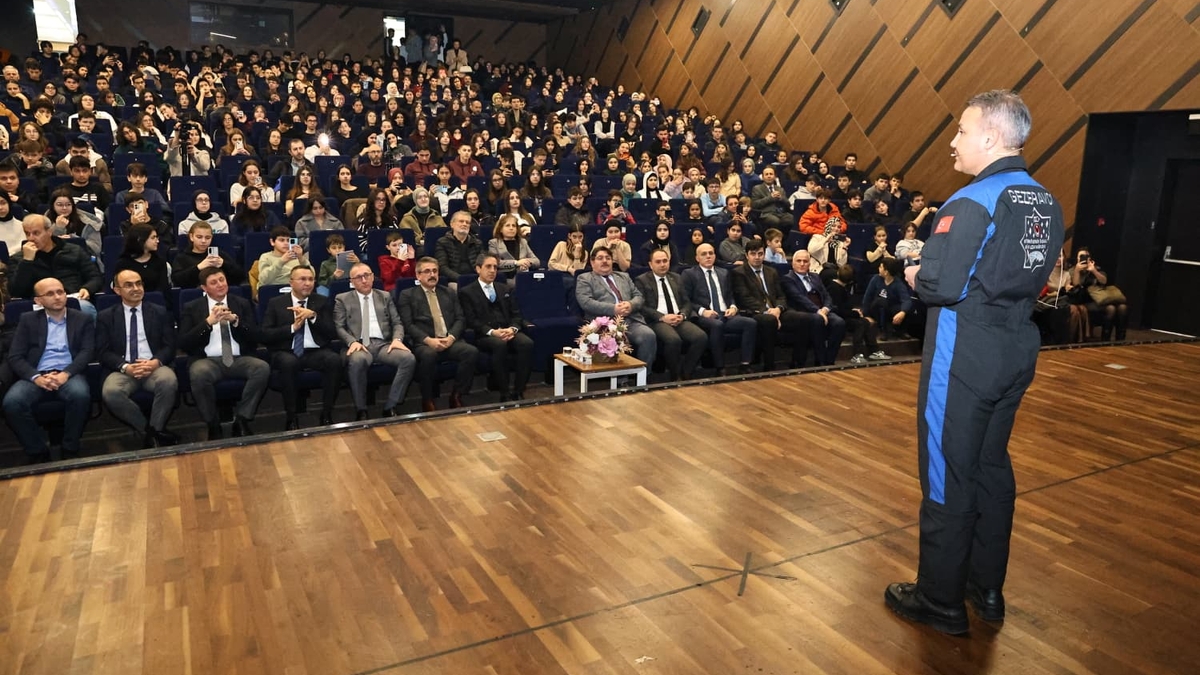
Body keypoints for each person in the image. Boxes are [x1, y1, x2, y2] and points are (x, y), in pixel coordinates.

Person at [885, 90, 1064, 636]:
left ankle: (939, 598)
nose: (953, 141)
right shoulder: (1046, 200)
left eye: (961, 131)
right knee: (989, 464)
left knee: (947, 469)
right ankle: (985, 588)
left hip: (963, 353)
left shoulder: (969, 201)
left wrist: (916, 274)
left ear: (989, 137)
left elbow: (943, 284)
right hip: (1016, 347)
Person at [2, 277, 93, 462]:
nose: (57, 297)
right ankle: (37, 451)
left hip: (69, 373)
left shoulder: (82, 319)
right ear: (38, 301)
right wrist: (36, 377)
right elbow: (15, 356)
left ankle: (70, 447)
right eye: (50, 294)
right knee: (11, 403)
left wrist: (65, 374)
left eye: (60, 292)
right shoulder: (28, 320)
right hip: (36, 374)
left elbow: (87, 352)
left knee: (81, 395)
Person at [178, 268, 270, 440]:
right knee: (198, 372)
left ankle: (241, 419)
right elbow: (184, 343)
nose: (220, 285)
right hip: (208, 360)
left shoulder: (241, 303)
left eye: (222, 279)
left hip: (238, 358)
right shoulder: (192, 307)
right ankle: (213, 423)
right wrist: (207, 323)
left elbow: (257, 336)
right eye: (214, 282)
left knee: (262, 368)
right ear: (204, 288)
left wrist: (236, 322)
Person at [95, 269, 179, 448]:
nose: (136, 288)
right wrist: (126, 367)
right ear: (117, 290)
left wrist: (155, 362)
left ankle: (154, 431)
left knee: (168, 380)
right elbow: (102, 352)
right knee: (111, 392)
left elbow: (169, 346)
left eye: (139, 283)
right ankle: (150, 432)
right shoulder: (106, 316)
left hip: (153, 366)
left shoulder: (159, 311)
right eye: (128, 285)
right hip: (123, 369)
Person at [260, 266, 343, 429]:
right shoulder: (276, 303)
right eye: (302, 279)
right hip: (286, 350)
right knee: (288, 363)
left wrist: (313, 317)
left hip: (315, 350)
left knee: (334, 360)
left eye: (311, 279)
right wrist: (292, 328)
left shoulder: (321, 301)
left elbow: (332, 332)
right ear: (291, 282)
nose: (307, 283)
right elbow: (265, 334)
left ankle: (326, 413)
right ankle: (292, 417)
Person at [334, 263, 416, 419]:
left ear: (373, 277)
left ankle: (391, 405)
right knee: (357, 361)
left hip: (383, 345)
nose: (364, 280)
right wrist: (352, 342)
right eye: (359, 277)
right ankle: (361, 409)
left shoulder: (384, 296)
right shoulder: (342, 299)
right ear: (352, 282)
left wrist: (397, 339)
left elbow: (397, 322)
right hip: (358, 345)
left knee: (408, 358)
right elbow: (339, 327)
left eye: (367, 275)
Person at [396, 257, 479, 411]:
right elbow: (408, 324)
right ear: (418, 275)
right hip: (425, 342)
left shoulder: (449, 292)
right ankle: (428, 399)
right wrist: (428, 340)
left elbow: (461, 318)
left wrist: (452, 337)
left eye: (435, 271)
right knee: (428, 356)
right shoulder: (407, 295)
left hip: (449, 340)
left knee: (470, 352)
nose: (432, 274)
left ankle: (457, 395)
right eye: (427, 271)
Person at [457, 253, 533, 402]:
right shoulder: (467, 292)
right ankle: (504, 392)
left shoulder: (505, 288)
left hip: (507, 330)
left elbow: (517, 315)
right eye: (488, 267)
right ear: (478, 269)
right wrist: (493, 332)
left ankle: (518, 390)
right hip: (485, 334)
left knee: (527, 343)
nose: (492, 270)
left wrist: (513, 329)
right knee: (499, 345)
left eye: (495, 267)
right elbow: (471, 321)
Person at [732, 240, 811, 371]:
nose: (757, 257)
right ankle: (769, 366)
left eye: (760, 253)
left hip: (776, 310)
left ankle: (798, 362)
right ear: (746, 255)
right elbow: (745, 298)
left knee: (803, 318)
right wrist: (767, 311)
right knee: (769, 321)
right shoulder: (739, 273)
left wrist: (778, 309)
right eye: (753, 254)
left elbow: (781, 295)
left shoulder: (771, 271)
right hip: (755, 312)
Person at [681, 242, 756, 375]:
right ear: (697, 258)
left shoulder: (724, 273)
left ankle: (745, 364)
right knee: (717, 325)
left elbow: (730, 296)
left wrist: (733, 307)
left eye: (711, 253)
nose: (708, 256)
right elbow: (686, 300)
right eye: (704, 254)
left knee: (750, 323)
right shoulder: (689, 274)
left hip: (725, 314)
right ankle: (720, 367)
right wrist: (703, 311)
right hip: (704, 316)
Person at [575, 246, 657, 367]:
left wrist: (630, 304)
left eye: (608, 258)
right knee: (614, 340)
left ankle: (643, 377)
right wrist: (613, 309)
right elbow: (586, 302)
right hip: (604, 324)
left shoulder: (624, 276)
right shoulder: (585, 278)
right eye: (600, 258)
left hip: (631, 320)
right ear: (592, 262)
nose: (604, 261)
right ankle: (621, 381)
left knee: (648, 335)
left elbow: (639, 296)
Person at [636, 248, 707, 381]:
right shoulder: (642, 280)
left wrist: (683, 315)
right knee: (673, 340)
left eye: (665, 261)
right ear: (651, 264)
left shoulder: (676, 277)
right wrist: (662, 317)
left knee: (700, 337)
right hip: (658, 320)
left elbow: (687, 302)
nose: (662, 264)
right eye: (658, 262)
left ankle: (686, 371)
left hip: (678, 318)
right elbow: (643, 307)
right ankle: (675, 375)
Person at [10, 215, 102, 317]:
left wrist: (87, 289)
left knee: (85, 308)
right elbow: (16, 291)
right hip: (39, 304)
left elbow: (95, 277)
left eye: (36, 233)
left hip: (71, 298)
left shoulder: (74, 251)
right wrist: (27, 261)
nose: (31, 238)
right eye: (27, 234)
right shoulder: (19, 259)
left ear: (49, 231)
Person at [825, 263, 890, 365]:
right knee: (860, 323)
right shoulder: (834, 289)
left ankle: (874, 351)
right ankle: (857, 354)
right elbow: (838, 310)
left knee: (865, 322)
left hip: (845, 315)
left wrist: (855, 312)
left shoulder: (841, 288)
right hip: (837, 318)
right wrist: (855, 313)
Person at [1071, 247, 1127, 341]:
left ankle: (1120, 339)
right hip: (1084, 300)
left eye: (1086, 256)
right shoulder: (1073, 270)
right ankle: (1105, 340)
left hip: (1101, 299)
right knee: (1111, 308)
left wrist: (1093, 271)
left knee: (1123, 307)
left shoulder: (1096, 268)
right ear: (1077, 258)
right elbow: (1076, 286)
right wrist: (1077, 271)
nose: (1084, 258)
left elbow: (1104, 281)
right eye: (1081, 256)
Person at [173, 220, 246, 288]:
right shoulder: (182, 258)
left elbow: (240, 276)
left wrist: (223, 264)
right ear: (191, 237)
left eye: (208, 238)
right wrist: (198, 267)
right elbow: (177, 281)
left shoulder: (220, 255)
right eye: (199, 237)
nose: (203, 241)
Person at [113, 224, 170, 299]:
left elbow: (163, 289)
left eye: (157, 237)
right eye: (153, 238)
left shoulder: (159, 261)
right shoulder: (123, 264)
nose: (157, 241)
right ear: (140, 240)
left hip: (156, 304)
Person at [435, 210, 485, 289]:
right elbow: (443, 267)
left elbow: (483, 264)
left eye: (467, 222)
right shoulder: (442, 242)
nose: (464, 224)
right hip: (454, 280)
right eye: (461, 221)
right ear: (452, 224)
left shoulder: (477, 243)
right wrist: (461, 279)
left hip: (475, 279)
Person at [487, 214, 540, 279]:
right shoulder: (494, 243)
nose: (511, 228)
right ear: (500, 229)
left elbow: (536, 261)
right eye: (507, 226)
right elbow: (495, 262)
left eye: (514, 226)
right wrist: (516, 263)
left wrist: (526, 263)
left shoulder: (523, 242)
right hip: (506, 277)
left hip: (523, 275)